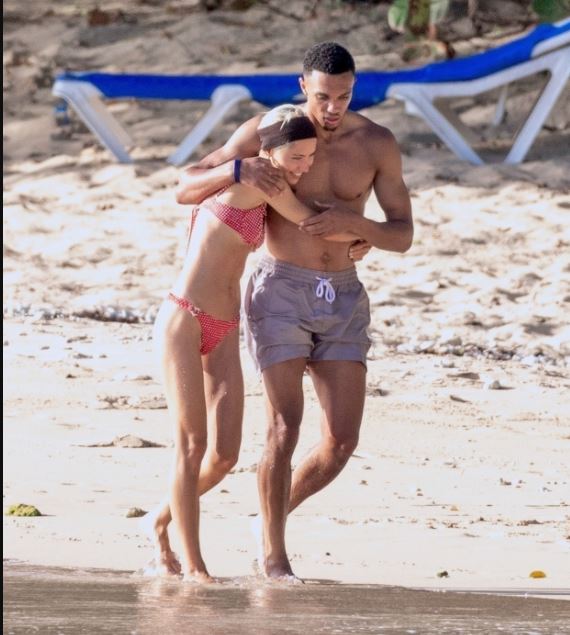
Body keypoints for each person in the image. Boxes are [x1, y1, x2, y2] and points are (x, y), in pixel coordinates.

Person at [175, 42, 414, 581]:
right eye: (324, 96)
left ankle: (268, 521)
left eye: (345, 96)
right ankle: (274, 557)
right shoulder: (272, 131)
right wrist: (236, 168)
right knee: (284, 425)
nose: (332, 108)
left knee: (341, 441)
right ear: (303, 85)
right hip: (280, 289)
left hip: (343, 296)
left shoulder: (376, 142)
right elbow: (187, 182)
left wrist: (360, 229)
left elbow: (403, 232)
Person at [150, 104, 360, 583]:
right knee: (191, 444)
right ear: (268, 154)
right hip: (184, 319)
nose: (305, 167)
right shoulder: (258, 182)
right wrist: (370, 233)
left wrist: (353, 244)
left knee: (223, 456)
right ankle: (193, 568)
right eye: (297, 158)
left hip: (224, 324)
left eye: (310, 157)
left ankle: (158, 521)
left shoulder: (265, 179)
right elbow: (309, 221)